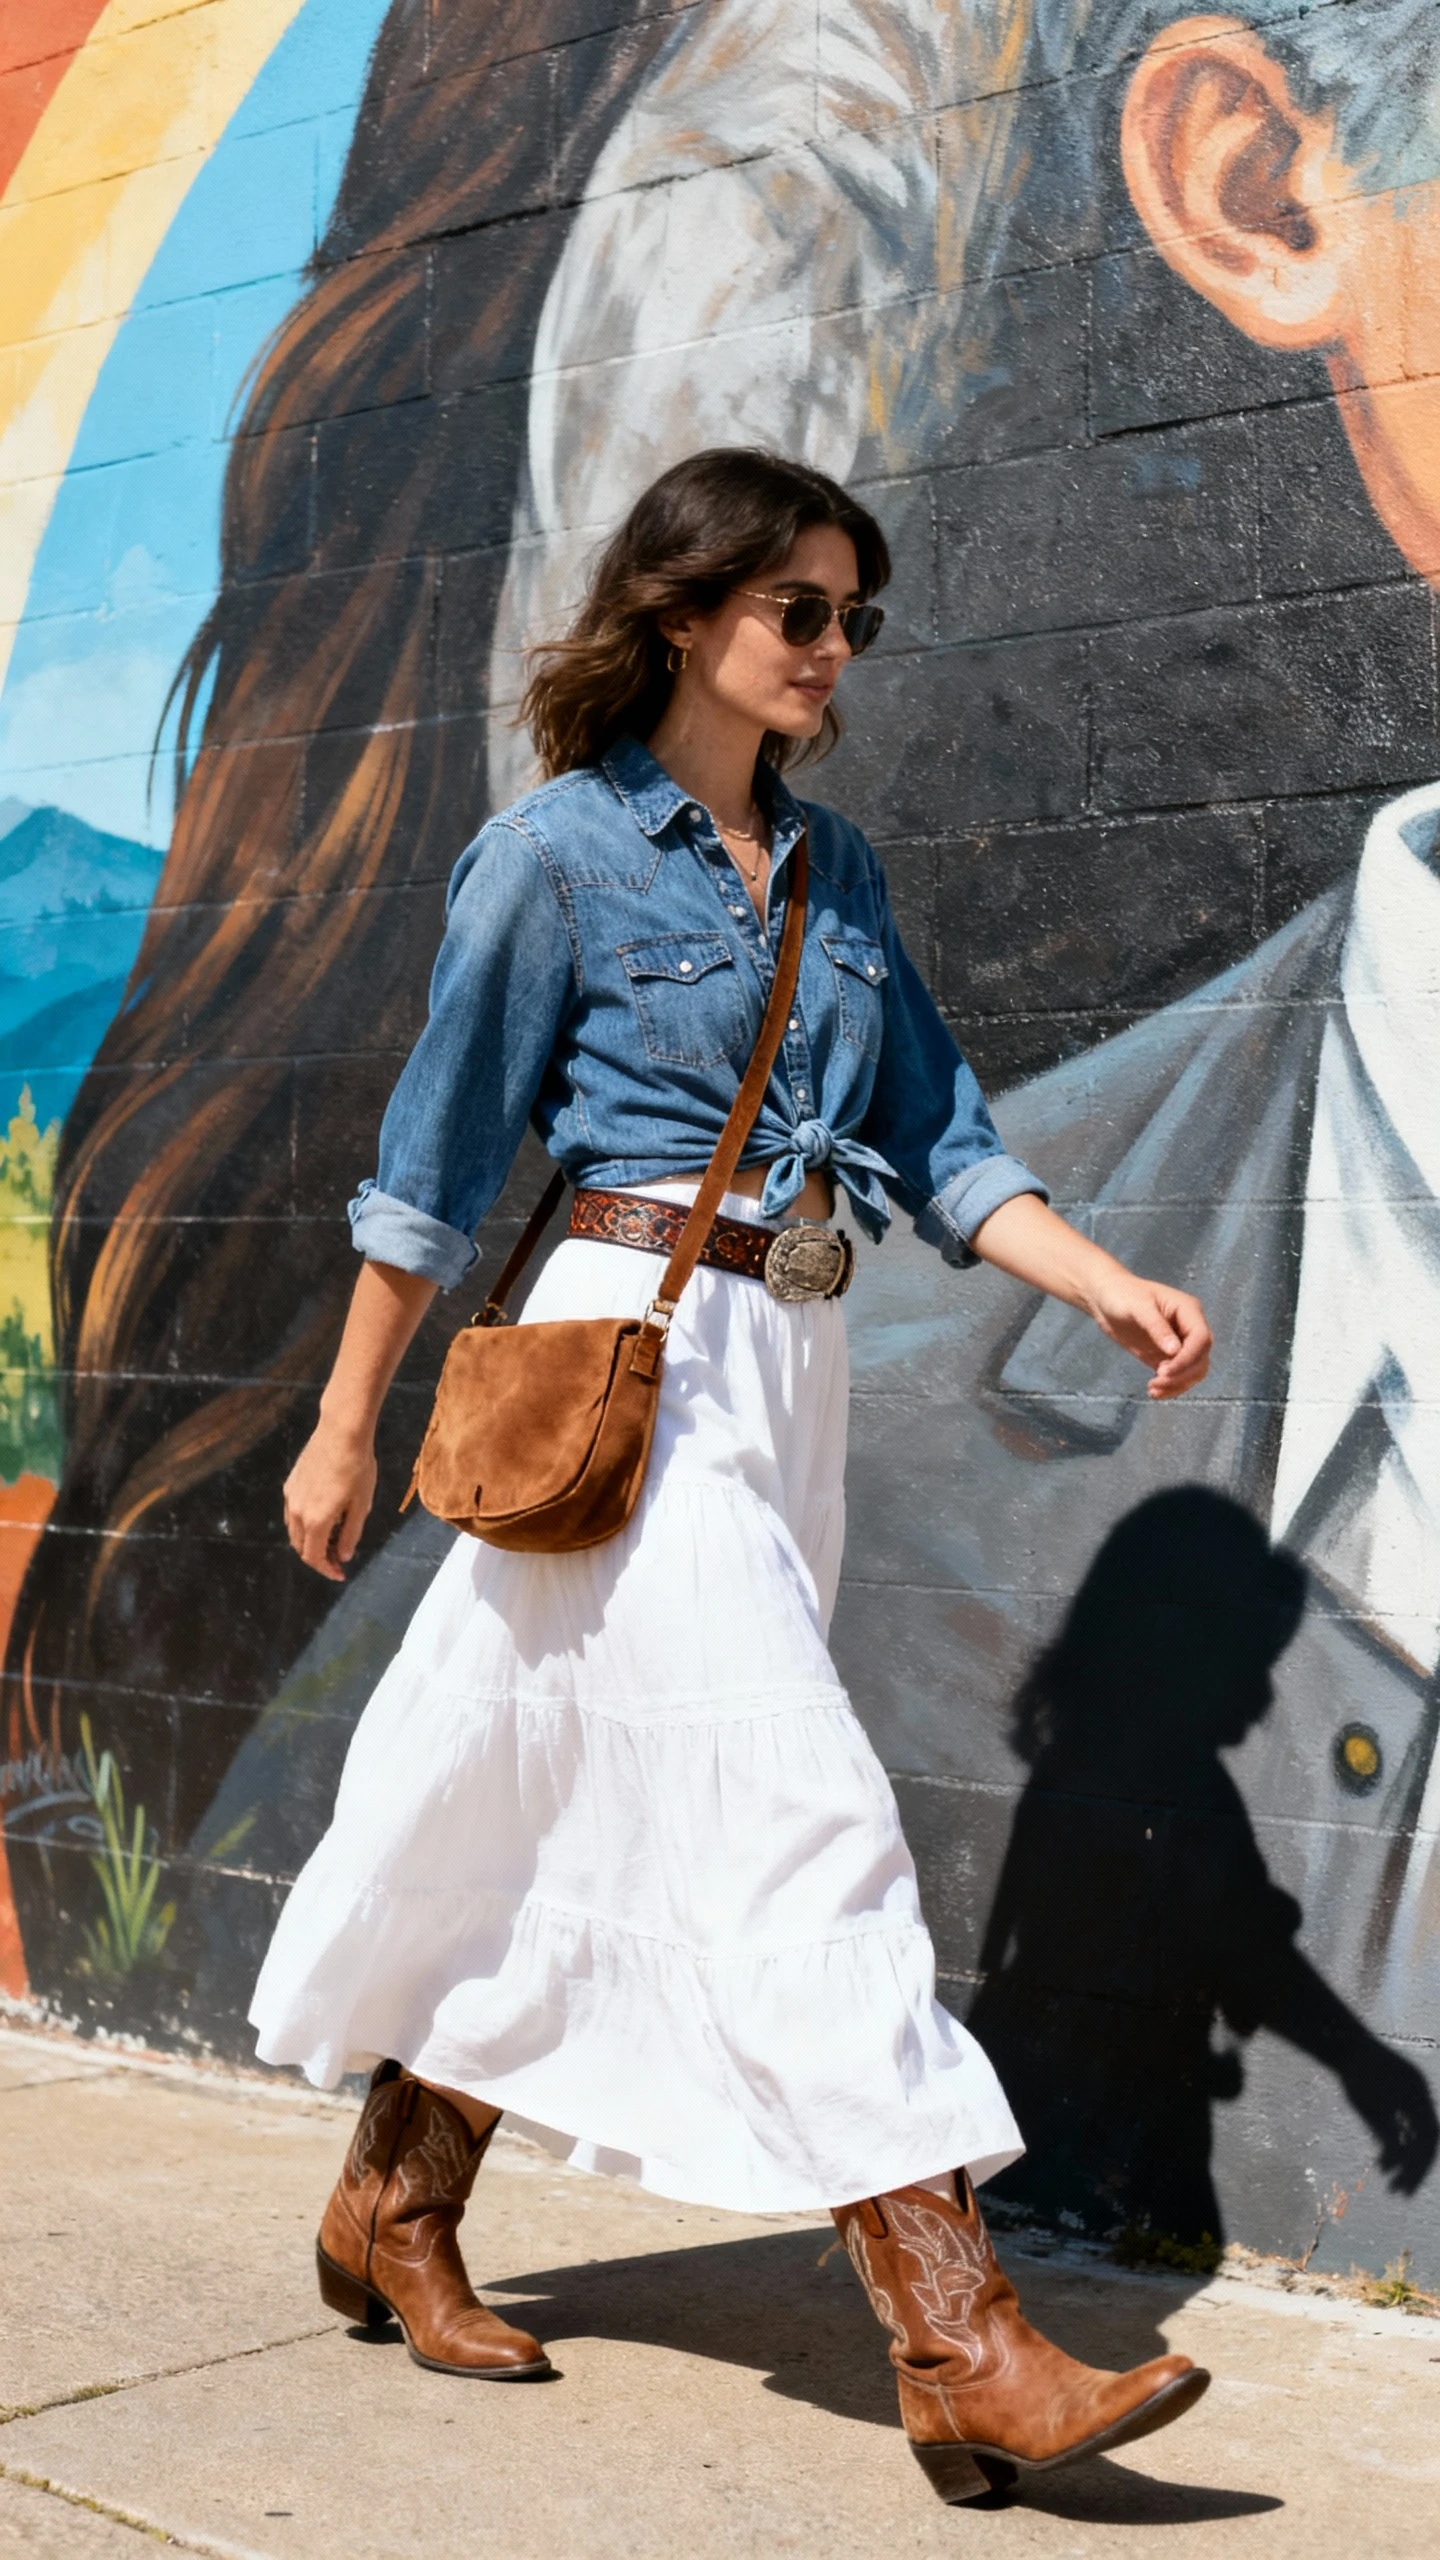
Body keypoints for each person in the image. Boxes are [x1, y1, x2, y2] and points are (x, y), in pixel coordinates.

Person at [252, 446, 1213, 2503]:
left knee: (564, 1798)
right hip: (631, 1361)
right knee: (797, 1806)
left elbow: (943, 1139)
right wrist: (347, 1422)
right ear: (683, 608)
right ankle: (958, 2337)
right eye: (802, 610)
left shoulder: (836, 876)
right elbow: (427, 1171)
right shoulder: (554, 857)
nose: (836, 648)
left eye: (858, 616)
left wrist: (1099, 1270)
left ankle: (391, 2200)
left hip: (790, 1367)